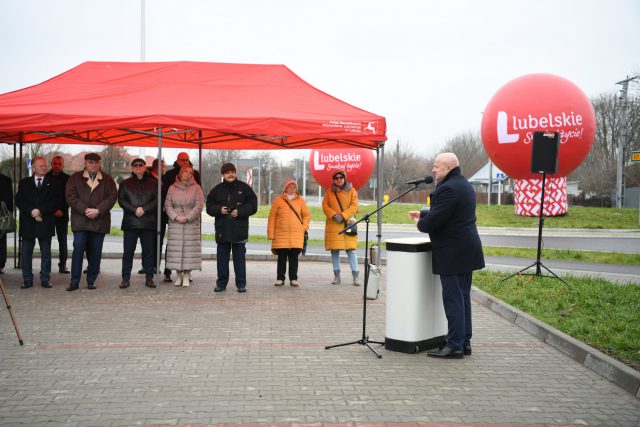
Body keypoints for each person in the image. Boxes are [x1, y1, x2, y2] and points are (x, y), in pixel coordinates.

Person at [408, 152, 485, 359]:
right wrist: (424, 213)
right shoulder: (463, 184)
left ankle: (455, 346)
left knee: (453, 299)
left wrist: (420, 223)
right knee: (462, 297)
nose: (433, 169)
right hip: (465, 249)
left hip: (453, 251)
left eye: (437, 166)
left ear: (448, 167)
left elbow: (436, 221)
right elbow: (450, 214)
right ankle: (463, 341)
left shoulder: (448, 188)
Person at [65, 152, 117, 291]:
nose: (93, 165)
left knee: (95, 252)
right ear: (85, 163)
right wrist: (86, 209)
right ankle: (74, 281)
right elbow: (70, 197)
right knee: (78, 249)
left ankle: (91, 280)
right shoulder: (75, 178)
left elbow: (112, 198)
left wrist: (98, 210)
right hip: (81, 221)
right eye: (90, 162)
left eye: (96, 162)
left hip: (99, 221)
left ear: (100, 164)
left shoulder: (108, 179)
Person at [205, 162, 257, 293]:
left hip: (239, 230)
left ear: (236, 173)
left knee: (239, 260)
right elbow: (209, 207)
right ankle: (221, 284)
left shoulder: (245, 188)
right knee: (222, 260)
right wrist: (218, 209)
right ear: (223, 174)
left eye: (233, 172)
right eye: (227, 172)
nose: (231, 174)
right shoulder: (217, 190)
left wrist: (240, 211)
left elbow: (253, 205)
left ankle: (241, 284)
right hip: (222, 230)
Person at [15, 157, 63, 289]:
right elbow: (19, 200)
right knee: (26, 253)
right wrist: (31, 211)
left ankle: (45, 279)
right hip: (28, 223)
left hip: (45, 222)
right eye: (41, 166)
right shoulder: (24, 183)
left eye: (45, 165)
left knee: (46, 253)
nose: (44, 167)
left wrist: (40, 211)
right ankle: (27, 279)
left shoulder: (52, 183)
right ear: (34, 167)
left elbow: (56, 202)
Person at [118, 158, 158, 289]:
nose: (138, 167)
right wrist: (134, 210)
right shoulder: (125, 183)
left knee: (148, 252)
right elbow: (122, 200)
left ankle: (149, 278)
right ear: (132, 168)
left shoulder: (154, 183)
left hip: (148, 223)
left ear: (145, 167)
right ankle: (125, 279)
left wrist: (144, 209)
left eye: (141, 165)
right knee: (128, 252)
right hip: (131, 223)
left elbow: (157, 200)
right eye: (135, 165)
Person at [162, 152, 201, 282]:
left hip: (191, 221)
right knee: (174, 247)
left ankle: (187, 274)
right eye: (182, 160)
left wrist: (189, 217)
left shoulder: (196, 186)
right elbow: (167, 203)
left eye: (187, 160)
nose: (185, 162)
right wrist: (175, 216)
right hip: (175, 220)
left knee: (190, 248)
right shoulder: (170, 179)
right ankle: (171, 272)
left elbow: (199, 203)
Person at [267, 179, 310, 287]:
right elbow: (272, 218)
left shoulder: (301, 201)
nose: (292, 189)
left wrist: (304, 227)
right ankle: (280, 278)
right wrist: (271, 234)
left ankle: (293, 278)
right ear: (285, 188)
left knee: (294, 258)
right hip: (281, 234)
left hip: (296, 234)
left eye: (294, 187)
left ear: (296, 189)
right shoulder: (278, 201)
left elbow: (306, 215)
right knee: (281, 258)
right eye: (289, 187)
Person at [322, 169, 360, 286]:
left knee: (351, 251)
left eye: (341, 177)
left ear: (344, 178)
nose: (339, 180)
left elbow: (354, 206)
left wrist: (343, 216)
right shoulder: (329, 192)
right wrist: (334, 215)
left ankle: (355, 276)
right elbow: (325, 206)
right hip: (334, 225)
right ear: (333, 179)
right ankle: (337, 276)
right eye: (336, 178)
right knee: (335, 251)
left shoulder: (352, 190)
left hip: (347, 223)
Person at [46, 155, 71, 273]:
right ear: (51, 164)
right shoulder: (45, 177)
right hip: (48, 214)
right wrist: (53, 210)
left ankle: (63, 264)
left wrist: (62, 209)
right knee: (46, 241)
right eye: (55, 163)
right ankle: (46, 266)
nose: (57, 166)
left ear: (63, 166)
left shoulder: (68, 179)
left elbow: (69, 197)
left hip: (63, 214)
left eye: (59, 164)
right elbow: (43, 197)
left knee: (63, 240)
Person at [0, 172, 12, 274]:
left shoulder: (6, 180)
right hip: (3, 215)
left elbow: (8, 199)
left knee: (1, 238)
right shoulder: (6, 180)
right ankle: (1, 264)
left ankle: (1, 263)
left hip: (2, 215)